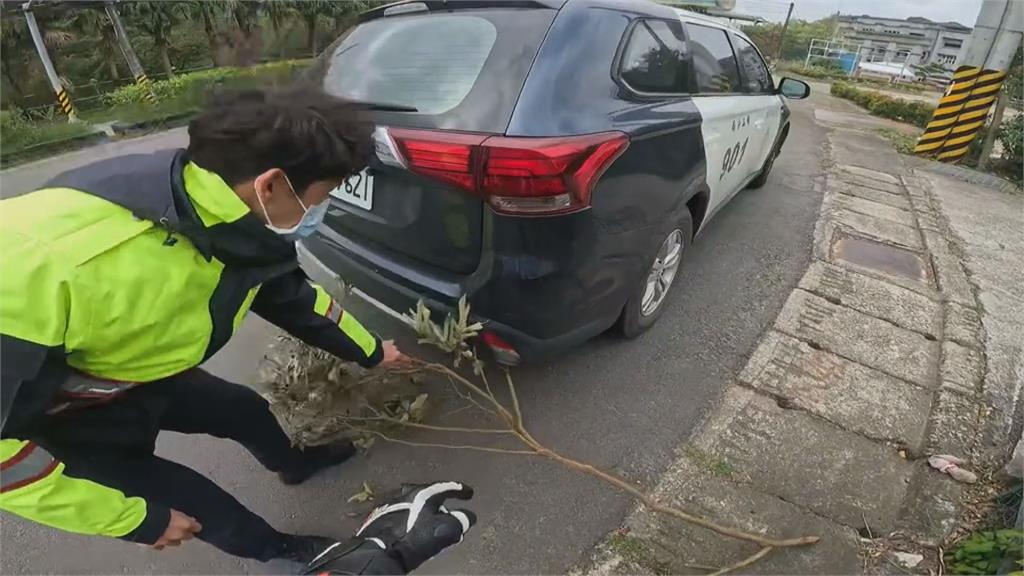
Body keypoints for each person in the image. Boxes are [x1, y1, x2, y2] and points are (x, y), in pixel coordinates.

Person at [0, 88, 474, 573]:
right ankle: (279, 551)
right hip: (53, 414)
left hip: (129, 369)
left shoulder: (216, 203)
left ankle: (295, 463)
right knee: (193, 505)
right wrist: (133, 520)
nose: (324, 208)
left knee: (242, 409)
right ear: (271, 186)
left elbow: (287, 294)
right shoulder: (45, 276)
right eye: (324, 196)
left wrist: (373, 351)